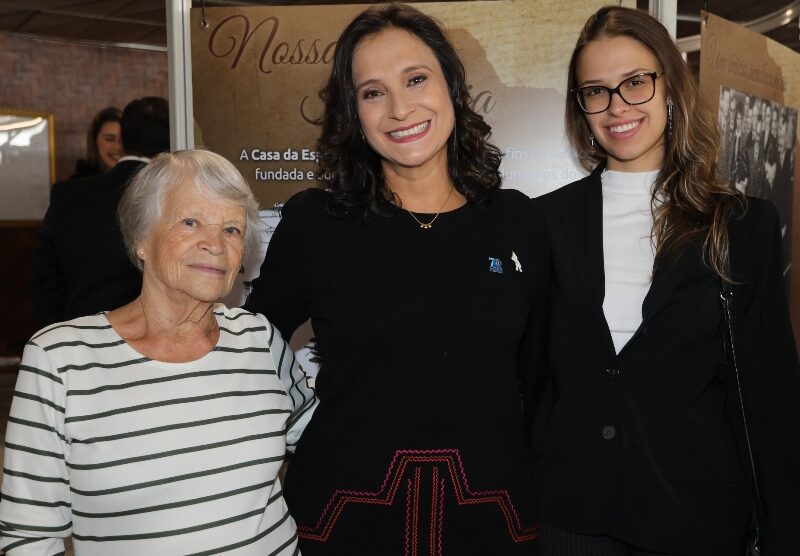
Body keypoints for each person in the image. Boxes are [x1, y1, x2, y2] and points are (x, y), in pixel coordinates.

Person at [244, 3, 546, 554]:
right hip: (343, 519)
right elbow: (249, 350)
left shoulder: (517, 221)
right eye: (372, 91)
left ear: (451, 87)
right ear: (353, 113)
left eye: (415, 79)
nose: (400, 107)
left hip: (493, 522)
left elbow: (543, 376)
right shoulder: (316, 221)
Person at [531, 6, 800, 555]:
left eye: (635, 82)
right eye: (596, 91)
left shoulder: (742, 225)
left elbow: (768, 396)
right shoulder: (543, 223)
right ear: (580, 107)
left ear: (670, 87)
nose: (617, 106)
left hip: (695, 521)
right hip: (569, 517)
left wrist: (783, 532)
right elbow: (530, 382)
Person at [0, 149, 317, 555]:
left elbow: (325, 435)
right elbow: (30, 538)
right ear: (141, 239)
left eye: (232, 230)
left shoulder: (259, 339)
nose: (216, 245)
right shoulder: (60, 360)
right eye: (191, 222)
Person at [32, 97, 169, 327]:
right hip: (154, 334)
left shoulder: (68, 195)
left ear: (124, 138)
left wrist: (61, 333)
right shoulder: (171, 194)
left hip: (79, 332)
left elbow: (46, 281)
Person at [70, 107, 123, 179]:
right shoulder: (75, 186)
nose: (117, 146)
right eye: (109, 139)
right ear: (94, 140)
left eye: (123, 140)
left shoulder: (137, 182)